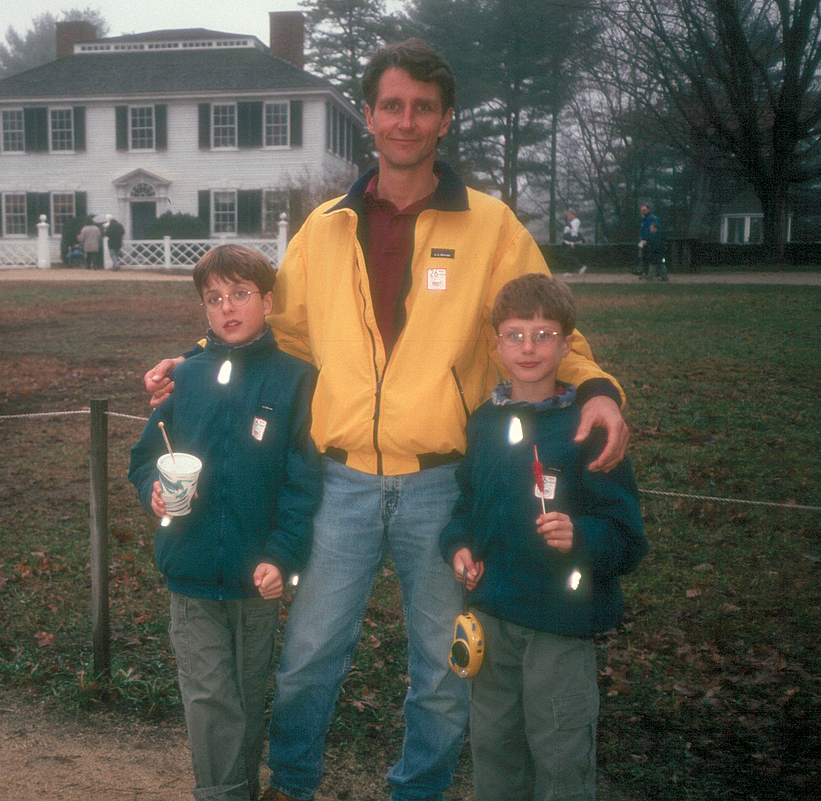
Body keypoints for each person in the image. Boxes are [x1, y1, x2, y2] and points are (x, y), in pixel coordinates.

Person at [145, 39, 631, 801]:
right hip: (338, 481)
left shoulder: (492, 227)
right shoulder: (326, 227)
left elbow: (542, 322)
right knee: (308, 653)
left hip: (442, 483)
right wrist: (197, 356)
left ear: (444, 120)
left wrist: (596, 383)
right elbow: (281, 331)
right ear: (368, 115)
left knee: (442, 667)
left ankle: (419, 789)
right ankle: (293, 781)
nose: (406, 121)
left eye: (423, 107)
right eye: (392, 105)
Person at [442, 273, 647, 801]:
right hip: (492, 615)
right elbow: (466, 503)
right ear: (495, 344)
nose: (528, 347)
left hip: (560, 620)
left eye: (544, 334)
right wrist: (458, 546)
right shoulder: (484, 423)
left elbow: (627, 537)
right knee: (495, 748)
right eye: (514, 334)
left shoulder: (588, 425)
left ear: (568, 343)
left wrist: (580, 536)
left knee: (560, 751)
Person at [129, 244, 322, 801]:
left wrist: (281, 556)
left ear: (267, 301)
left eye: (240, 294)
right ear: (203, 310)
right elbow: (146, 458)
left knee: (244, 694)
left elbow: (301, 483)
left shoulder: (294, 381)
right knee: (210, 697)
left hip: (256, 577)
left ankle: (242, 786)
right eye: (214, 299)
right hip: (189, 573)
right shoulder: (182, 379)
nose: (228, 308)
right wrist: (153, 494)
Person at [635, 203, 659, 277]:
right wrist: (641, 238)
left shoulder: (651, 218)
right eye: (642, 210)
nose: (643, 212)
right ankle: (642, 271)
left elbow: (652, 230)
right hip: (643, 241)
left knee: (649, 257)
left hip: (649, 241)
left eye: (644, 210)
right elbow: (643, 230)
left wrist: (647, 240)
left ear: (648, 210)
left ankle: (652, 273)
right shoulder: (644, 219)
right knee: (642, 255)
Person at [560, 209, 585, 273]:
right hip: (568, 242)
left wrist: (572, 242)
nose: (567, 216)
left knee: (568, 255)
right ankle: (569, 271)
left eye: (569, 215)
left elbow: (574, 232)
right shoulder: (570, 222)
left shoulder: (575, 221)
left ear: (573, 215)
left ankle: (580, 266)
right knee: (567, 255)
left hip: (573, 242)